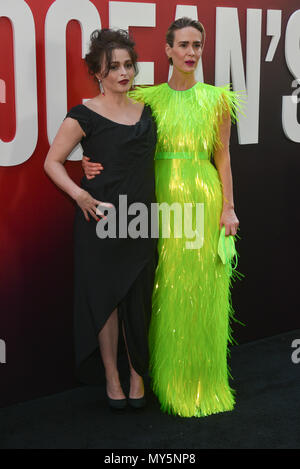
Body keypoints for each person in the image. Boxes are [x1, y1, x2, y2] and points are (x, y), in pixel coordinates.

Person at [82, 17, 245, 417]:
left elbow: (222, 155)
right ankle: (162, 380)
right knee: (163, 290)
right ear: (168, 50)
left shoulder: (216, 99)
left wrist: (228, 206)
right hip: (155, 205)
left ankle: (201, 383)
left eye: (197, 46)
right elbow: (118, 133)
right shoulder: (149, 98)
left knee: (202, 293)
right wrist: (88, 160)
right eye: (184, 45)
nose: (191, 53)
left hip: (202, 199)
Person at [44, 29, 157, 410]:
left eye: (128, 65)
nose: (123, 73)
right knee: (106, 302)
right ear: (98, 73)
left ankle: (137, 374)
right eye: (114, 67)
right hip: (101, 222)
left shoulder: (150, 111)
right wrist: (79, 194)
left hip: (141, 220)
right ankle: (112, 376)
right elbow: (51, 162)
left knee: (138, 300)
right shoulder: (83, 114)